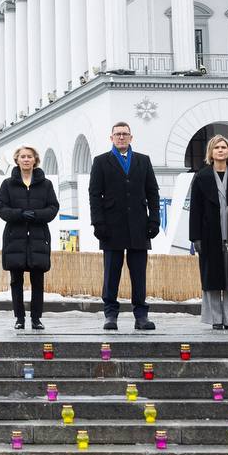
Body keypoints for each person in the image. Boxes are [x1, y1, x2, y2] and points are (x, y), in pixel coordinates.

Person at [88, 122, 160, 330]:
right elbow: (94, 194)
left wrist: (154, 219)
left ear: (131, 137)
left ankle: (141, 316)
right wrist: (98, 222)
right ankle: (110, 315)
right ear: (111, 138)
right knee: (111, 273)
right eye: (117, 134)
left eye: (125, 134)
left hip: (139, 225)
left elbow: (152, 192)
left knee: (139, 274)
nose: (121, 137)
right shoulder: (101, 161)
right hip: (111, 226)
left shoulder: (143, 161)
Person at [188, 135, 228, 330]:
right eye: (217, 147)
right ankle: (216, 319)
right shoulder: (201, 177)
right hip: (209, 235)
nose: (220, 150)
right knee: (212, 278)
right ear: (211, 152)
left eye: (224, 147)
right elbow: (195, 210)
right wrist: (195, 237)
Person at [0, 145, 60, 331]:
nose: (26, 159)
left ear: (35, 160)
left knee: (38, 281)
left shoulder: (46, 184)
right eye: (22, 156)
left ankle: (36, 318)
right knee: (16, 281)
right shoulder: (7, 184)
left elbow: (53, 207)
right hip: (15, 238)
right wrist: (20, 214)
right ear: (17, 159)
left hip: (38, 238)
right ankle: (20, 318)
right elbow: (1, 207)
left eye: (29, 156)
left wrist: (36, 215)